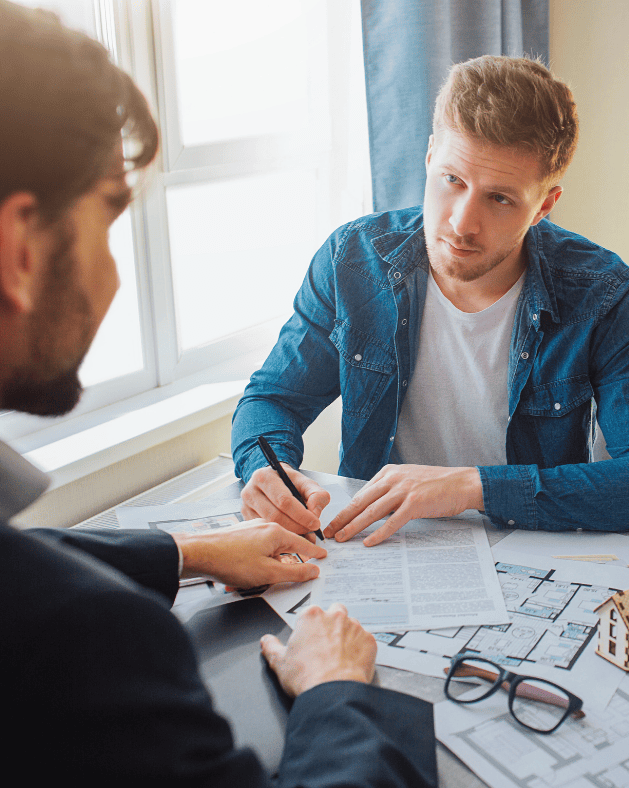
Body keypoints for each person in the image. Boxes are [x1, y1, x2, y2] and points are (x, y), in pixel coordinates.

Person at [0, 3, 436, 785]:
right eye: (109, 221)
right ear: (17, 251)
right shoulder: (94, 640)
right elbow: (270, 398)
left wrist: (188, 552)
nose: (115, 276)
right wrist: (336, 691)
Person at [232, 55, 629, 546]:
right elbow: (272, 399)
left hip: (530, 550)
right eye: (452, 180)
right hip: (380, 546)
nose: (461, 223)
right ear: (430, 156)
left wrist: (472, 488)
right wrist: (266, 470)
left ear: (544, 205)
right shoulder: (352, 260)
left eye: (500, 199)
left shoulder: (605, 295)